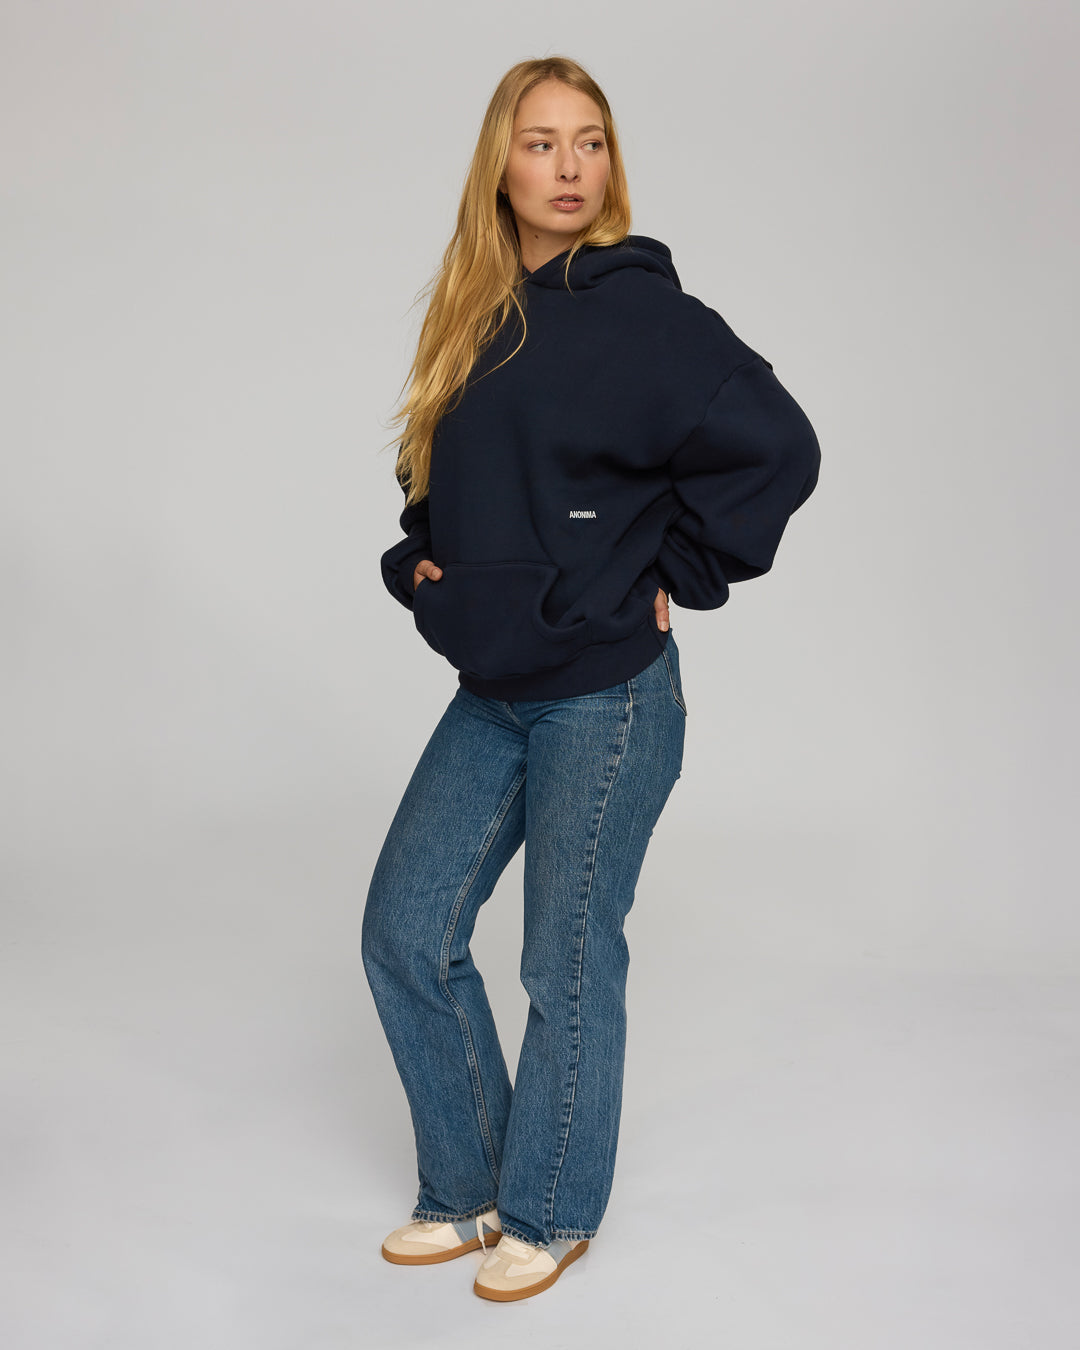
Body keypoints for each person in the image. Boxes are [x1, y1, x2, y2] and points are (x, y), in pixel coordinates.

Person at [362, 55, 821, 1302]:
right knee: (405, 932)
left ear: (611, 165)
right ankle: (463, 1190)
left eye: (590, 143)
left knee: (564, 960)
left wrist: (670, 566)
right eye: (540, 143)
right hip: (496, 688)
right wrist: (428, 579)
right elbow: (435, 491)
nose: (568, 167)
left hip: (607, 697)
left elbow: (780, 447)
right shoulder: (472, 312)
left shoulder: (649, 317)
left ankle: (551, 1207)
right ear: (498, 166)